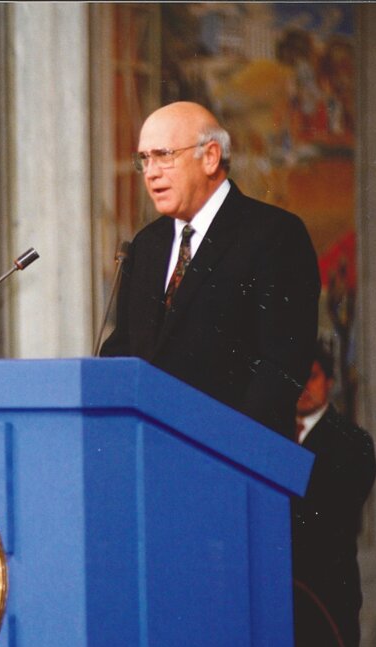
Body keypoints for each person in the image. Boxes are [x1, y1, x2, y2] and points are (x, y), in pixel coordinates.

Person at [100, 101, 320, 439]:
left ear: (210, 156)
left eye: (163, 155)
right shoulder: (146, 245)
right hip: (149, 453)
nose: (151, 172)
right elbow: (123, 350)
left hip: (232, 460)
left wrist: (226, 441)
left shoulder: (274, 235)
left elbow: (282, 365)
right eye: (144, 159)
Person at [293, 346, 376, 647]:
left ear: (328, 381)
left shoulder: (352, 441)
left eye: (311, 377)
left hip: (327, 589)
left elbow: (339, 509)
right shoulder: (271, 436)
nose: (302, 386)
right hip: (283, 590)